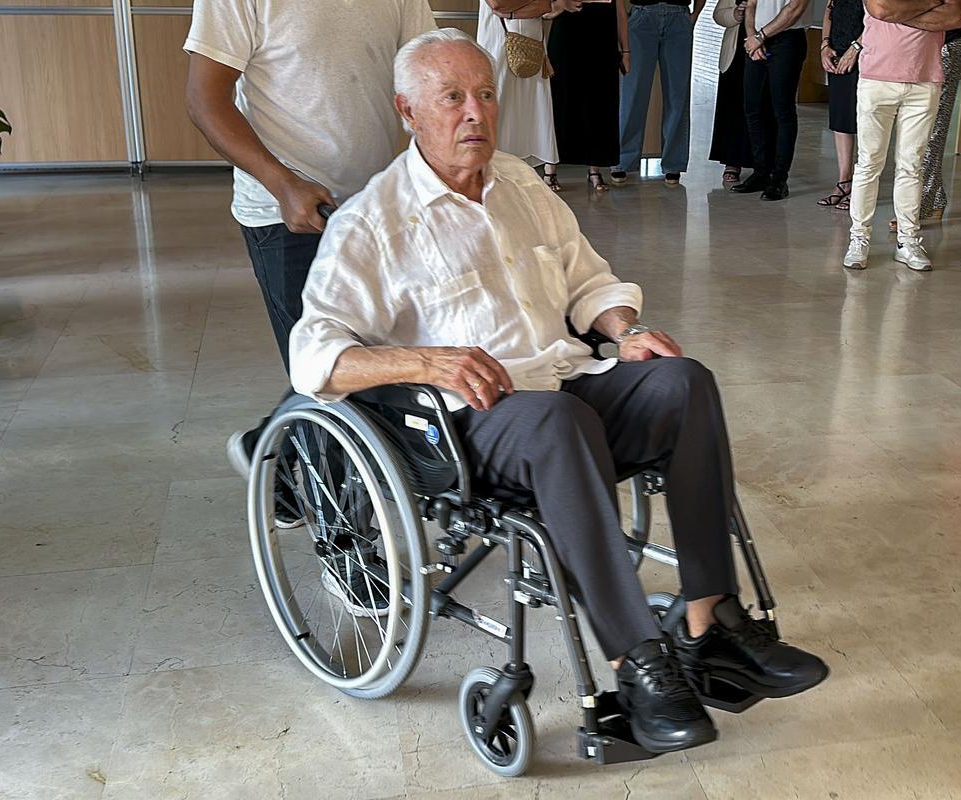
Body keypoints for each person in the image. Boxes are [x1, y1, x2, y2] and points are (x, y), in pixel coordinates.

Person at [289, 29, 829, 754]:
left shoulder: (520, 185)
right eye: (452, 98)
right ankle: (635, 663)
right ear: (407, 112)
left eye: (484, 94)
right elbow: (314, 355)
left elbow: (586, 280)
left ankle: (710, 623)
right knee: (557, 421)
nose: (475, 112)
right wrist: (427, 362)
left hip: (569, 382)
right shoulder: (374, 221)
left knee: (682, 381)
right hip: (474, 423)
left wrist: (624, 327)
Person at [183, 0, 437, 522]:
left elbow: (424, 69)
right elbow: (205, 101)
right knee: (335, 383)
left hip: (373, 210)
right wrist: (282, 184)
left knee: (361, 363)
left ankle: (270, 446)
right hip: (286, 214)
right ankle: (349, 552)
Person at [842, 0, 961, 271]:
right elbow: (881, 9)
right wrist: (932, 4)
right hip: (877, 78)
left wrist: (901, 12)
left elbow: (955, 17)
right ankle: (859, 239)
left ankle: (908, 241)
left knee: (912, 165)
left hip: (925, 79)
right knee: (869, 163)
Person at [611, 0, 704, 186]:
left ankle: (673, 163)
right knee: (633, 92)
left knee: (677, 94)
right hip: (642, 14)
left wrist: (694, 16)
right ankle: (623, 159)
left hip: (679, 16)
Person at [730, 0, 811, 201]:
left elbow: (795, 9)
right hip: (756, 38)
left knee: (782, 111)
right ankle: (761, 173)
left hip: (788, 39)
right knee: (753, 108)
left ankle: (779, 180)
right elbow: (751, 5)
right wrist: (751, 37)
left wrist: (760, 36)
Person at [476, 0, 563, 183]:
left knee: (528, 116)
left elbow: (546, 7)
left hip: (531, 45)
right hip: (496, 45)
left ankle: (519, 181)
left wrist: (514, 9)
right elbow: (498, 4)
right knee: (498, 110)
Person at [548, 0, 629, 192]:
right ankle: (550, 170)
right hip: (566, 37)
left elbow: (620, 13)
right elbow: (544, 9)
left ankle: (595, 169)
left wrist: (626, 50)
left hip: (603, 40)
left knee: (601, 104)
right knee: (560, 101)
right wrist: (560, 5)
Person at [916, 26, 961, 219]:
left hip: (946, 43)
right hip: (914, 45)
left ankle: (922, 202)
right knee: (918, 128)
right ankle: (935, 199)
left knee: (933, 127)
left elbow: (953, 15)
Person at [819, 0, 865, 210]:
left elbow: (878, 21)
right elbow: (830, 10)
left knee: (864, 122)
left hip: (866, 53)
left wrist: (855, 48)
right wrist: (824, 45)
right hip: (837, 49)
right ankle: (844, 181)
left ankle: (861, 188)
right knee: (840, 119)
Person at [710, 0, 757, 186]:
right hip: (736, 52)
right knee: (733, 106)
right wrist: (735, 15)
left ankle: (763, 163)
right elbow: (718, 14)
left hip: (769, 45)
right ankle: (732, 162)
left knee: (762, 107)